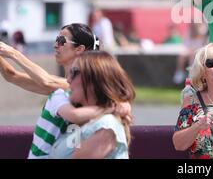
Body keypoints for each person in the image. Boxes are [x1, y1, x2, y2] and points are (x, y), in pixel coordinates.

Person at [0, 23, 131, 158]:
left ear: (79, 49)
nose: (55, 45)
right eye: (56, 40)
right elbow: (12, 75)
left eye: (61, 41)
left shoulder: (67, 88)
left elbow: (47, 81)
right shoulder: (66, 87)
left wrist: (13, 53)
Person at [49, 51, 135, 159]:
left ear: (95, 79)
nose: (68, 79)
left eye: (74, 72)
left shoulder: (106, 125)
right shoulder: (80, 122)